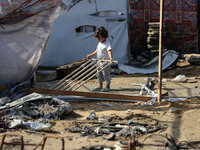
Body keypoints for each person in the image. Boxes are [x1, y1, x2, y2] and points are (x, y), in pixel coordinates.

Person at [86, 26, 113, 92]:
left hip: (105, 63)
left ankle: (107, 86)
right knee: (99, 74)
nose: (98, 39)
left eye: (99, 38)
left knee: (106, 74)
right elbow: (97, 51)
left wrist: (111, 58)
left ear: (104, 37)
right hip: (99, 62)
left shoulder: (107, 43)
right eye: (97, 38)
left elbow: (109, 50)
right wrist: (90, 55)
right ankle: (100, 86)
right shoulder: (99, 43)